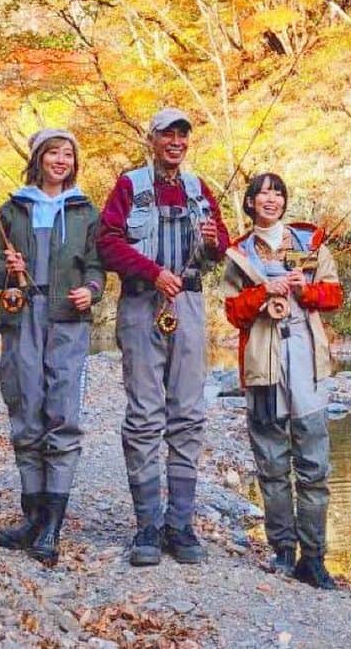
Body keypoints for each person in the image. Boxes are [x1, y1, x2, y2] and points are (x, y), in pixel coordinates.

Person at [97, 106, 231, 566]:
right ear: (151, 139)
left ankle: (181, 524)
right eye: (167, 135)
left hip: (189, 305)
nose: (175, 142)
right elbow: (107, 242)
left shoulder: (199, 189)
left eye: (182, 136)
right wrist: (153, 273)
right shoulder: (129, 186)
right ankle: (147, 526)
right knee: (143, 415)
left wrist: (214, 240)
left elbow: (221, 251)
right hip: (140, 304)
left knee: (189, 413)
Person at [0, 128, 104, 566]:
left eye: (68, 154)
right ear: (38, 158)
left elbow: (97, 266)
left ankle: (53, 524)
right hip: (21, 318)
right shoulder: (12, 210)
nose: (61, 160)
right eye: (53, 152)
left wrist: (92, 289)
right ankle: (31, 516)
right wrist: (6, 268)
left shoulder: (87, 211)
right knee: (25, 411)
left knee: (63, 416)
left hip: (69, 321)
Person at [223, 172, 343, 590]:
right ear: (251, 203)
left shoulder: (308, 245)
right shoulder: (239, 254)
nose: (271, 200)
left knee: (313, 467)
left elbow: (333, 295)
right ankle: (281, 551)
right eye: (262, 194)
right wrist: (263, 292)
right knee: (272, 466)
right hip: (262, 369)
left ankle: (314, 558)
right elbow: (233, 312)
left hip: (307, 365)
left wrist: (302, 290)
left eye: (278, 193)